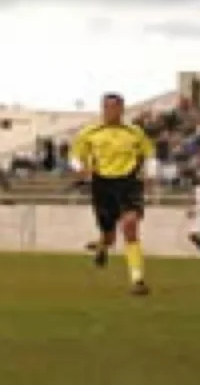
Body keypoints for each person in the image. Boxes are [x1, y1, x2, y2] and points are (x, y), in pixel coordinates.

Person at [70, 93, 156, 296]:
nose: (111, 111)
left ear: (122, 109)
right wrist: (79, 168)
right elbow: (74, 156)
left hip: (129, 183)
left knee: (129, 225)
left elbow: (149, 154)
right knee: (109, 235)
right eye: (107, 107)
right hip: (102, 185)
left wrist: (151, 175)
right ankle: (102, 247)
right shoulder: (89, 132)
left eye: (115, 107)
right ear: (102, 109)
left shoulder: (135, 132)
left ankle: (137, 280)